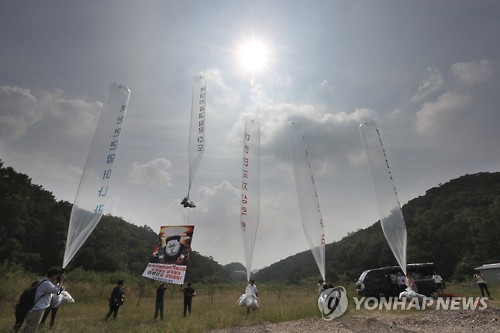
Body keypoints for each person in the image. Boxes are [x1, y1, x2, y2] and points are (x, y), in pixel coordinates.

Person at [23, 267, 65, 333]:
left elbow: (54, 288)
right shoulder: (46, 283)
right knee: (32, 329)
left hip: (36, 308)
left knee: (30, 327)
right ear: (54, 275)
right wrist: (61, 281)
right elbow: (56, 290)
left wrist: (58, 282)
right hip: (37, 309)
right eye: (57, 276)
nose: (57, 277)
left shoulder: (44, 280)